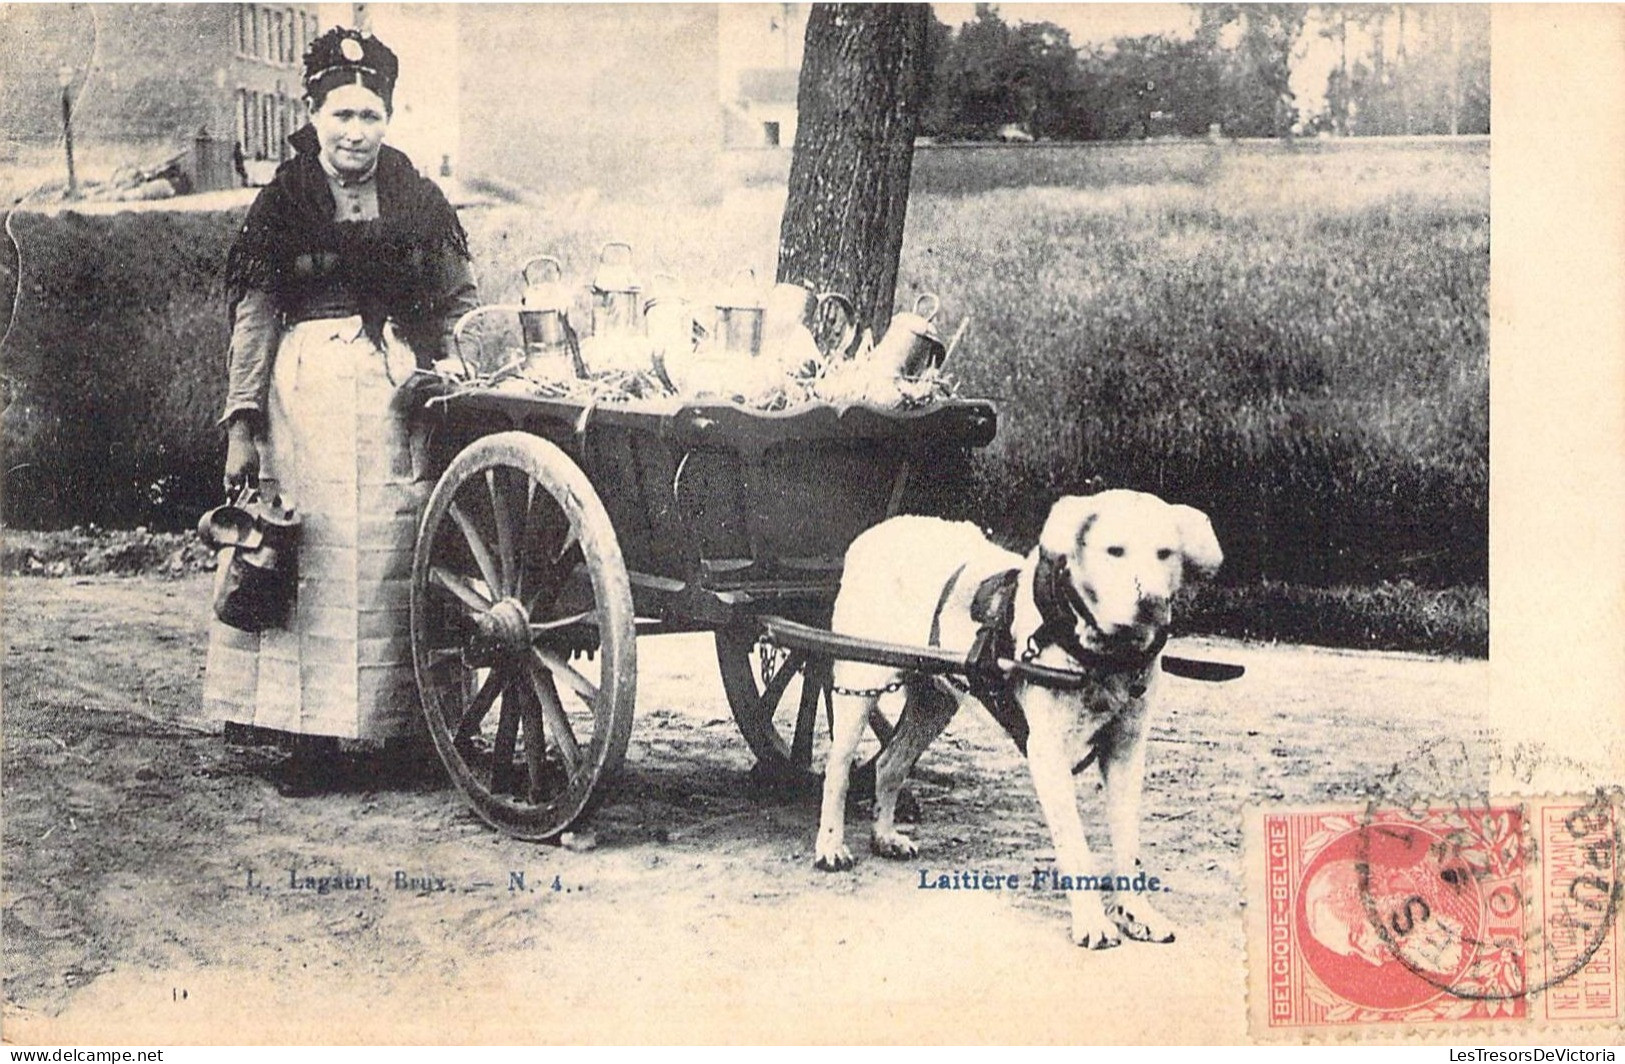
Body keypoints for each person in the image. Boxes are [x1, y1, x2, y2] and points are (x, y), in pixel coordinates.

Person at [204, 27, 479, 789]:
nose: (356, 132)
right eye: (341, 116)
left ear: (388, 118)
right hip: (308, 396)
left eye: (370, 116)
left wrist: (451, 367)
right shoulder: (282, 200)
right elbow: (255, 317)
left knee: (401, 554)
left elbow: (458, 298)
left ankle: (404, 733)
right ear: (314, 116)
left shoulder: (417, 195)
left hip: (401, 393)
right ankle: (311, 740)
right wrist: (243, 423)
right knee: (313, 556)